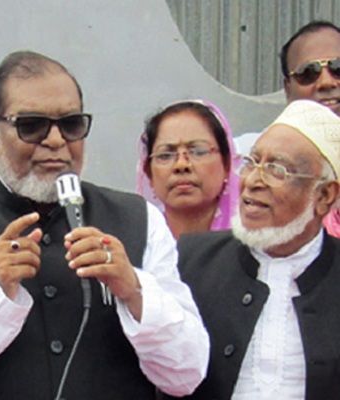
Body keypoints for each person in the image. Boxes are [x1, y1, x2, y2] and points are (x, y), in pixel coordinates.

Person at [0, 50, 209, 399]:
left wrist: (135, 291)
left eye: (71, 124)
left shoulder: (140, 221)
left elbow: (187, 374)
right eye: (32, 125)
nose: (55, 141)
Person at [169, 99, 340, 399]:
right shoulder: (191, 261)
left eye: (276, 170)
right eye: (251, 162)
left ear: (324, 195)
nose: (252, 181)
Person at [235, 20, 340, 238]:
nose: (326, 82)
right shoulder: (246, 156)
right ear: (288, 89)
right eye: (308, 73)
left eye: (337, 68)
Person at [137, 100, 240, 238]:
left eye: (198, 151)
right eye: (165, 155)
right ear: (149, 173)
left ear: (226, 164)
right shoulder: (136, 244)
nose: (181, 165)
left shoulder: (253, 244)